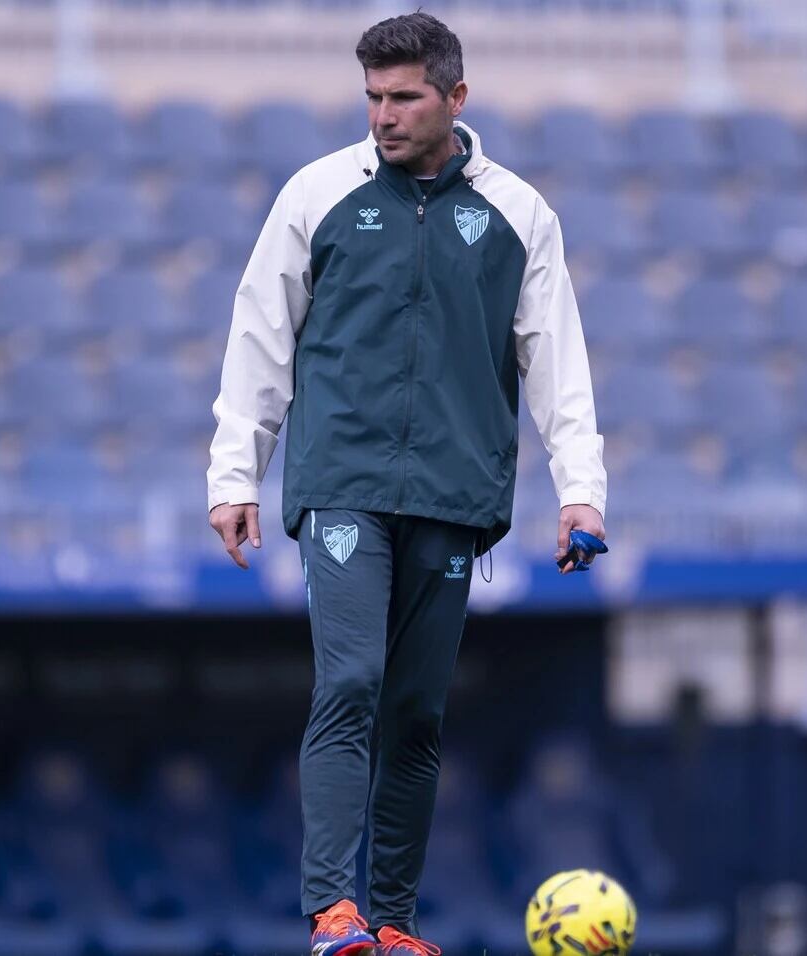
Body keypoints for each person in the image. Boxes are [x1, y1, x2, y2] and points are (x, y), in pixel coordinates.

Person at [204, 12, 607, 955]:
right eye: (373, 98)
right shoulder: (316, 193)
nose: (384, 116)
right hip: (342, 480)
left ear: (456, 98)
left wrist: (581, 490)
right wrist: (236, 473)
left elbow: (557, 361)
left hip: (454, 494)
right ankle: (330, 912)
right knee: (350, 679)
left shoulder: (520, 215)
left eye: (404, 97)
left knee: (418, 712)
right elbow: (259, 334)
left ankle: (393, 924)